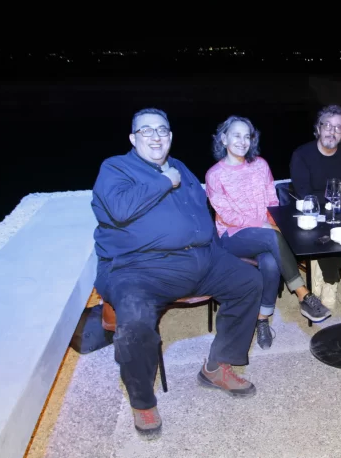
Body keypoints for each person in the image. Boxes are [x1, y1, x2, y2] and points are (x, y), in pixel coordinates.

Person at [92, 108, 263, 437]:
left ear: (170, 136)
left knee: (248, 282)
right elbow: (120, 209)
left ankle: (217, 366)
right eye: (146, 131)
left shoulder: (180, 166)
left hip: (200, 258)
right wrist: (163, 181)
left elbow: (200, 216)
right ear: (133, 139)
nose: (156, 137)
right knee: (135, 321)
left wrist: (219, 253)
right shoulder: (116, 168)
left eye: (162, 130)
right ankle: (143, 401)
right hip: (139, 268)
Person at [205, 115, 331, 350]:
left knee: (271, 262)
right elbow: (228, 216)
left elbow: (272, 201)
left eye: (247, 136)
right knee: (272, 236)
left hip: (264, 234)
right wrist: (263, 225)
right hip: (232, 237)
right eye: (236, 135)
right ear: (223, 139)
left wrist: (271, 221)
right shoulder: (215, 175)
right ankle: (303, 293)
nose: (242, 141)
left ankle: (262, 319)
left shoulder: (260, 165)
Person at [289, 104, 341, 304]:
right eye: (327, 125)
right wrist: (336, 198)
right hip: (313, 215)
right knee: (324, 234)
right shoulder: (302, 155)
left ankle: (325, 278)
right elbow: (306, 195)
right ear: (318, 128)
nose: (332, 131)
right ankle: (331, 279)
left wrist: (335, 200)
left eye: (338, 128)